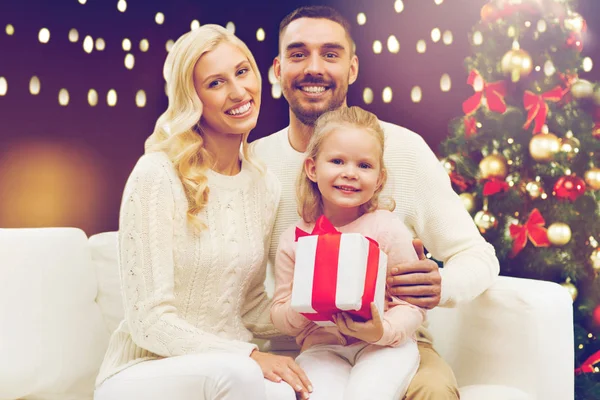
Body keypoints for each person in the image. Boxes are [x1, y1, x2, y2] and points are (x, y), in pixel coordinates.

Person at [252, 6, 500, 399]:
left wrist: (440, 285)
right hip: (298, 347)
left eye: (330, 54)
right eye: (298, 54)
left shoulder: (404, 149)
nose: (314, 67)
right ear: (278, 69)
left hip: (393, 339)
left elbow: (479, 256)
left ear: (351, 69)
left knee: (432, 392)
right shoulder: (253, 164)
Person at [93, 24, 311, 400]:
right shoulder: (157, 175)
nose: (238, 91)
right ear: (191, 98)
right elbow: (149, 323)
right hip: (143, 371)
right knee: (242, 375)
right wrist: (249, 355)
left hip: (227, 368)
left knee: (290, 390)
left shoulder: (263, 185)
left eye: (242, 72)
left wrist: (321, 316)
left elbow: (250, 304)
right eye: (216, 83)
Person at [271, 106, 426, 400]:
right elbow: (279, 312)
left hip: (383, 346)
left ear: (379, 178)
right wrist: (304, 304)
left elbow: (413, 305)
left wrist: (382, 331)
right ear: (313, 168)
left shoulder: (387, 228)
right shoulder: (295, 239)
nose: (350, 173)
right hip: (322, 348)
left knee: (367, 393)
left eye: (364, 166)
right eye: (338, 161)